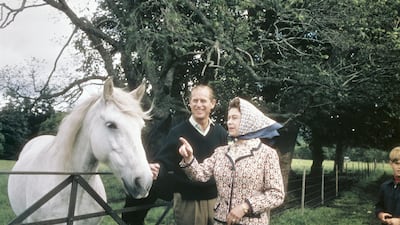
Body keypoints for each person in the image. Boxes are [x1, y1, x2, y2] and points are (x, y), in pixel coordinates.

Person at [178, 97, 285, 225]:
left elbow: (276, 194)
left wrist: (245, 207)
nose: (229, 122)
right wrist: (189, 157)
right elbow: (199, 175)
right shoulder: (221, 152)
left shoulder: (267, 154)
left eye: (234, 118)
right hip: (220, 221)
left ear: (248, 121)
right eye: (228, 118)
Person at [149, 84, 228, 225]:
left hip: (216, 200)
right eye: (195, 100)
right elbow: (164, 162)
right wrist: (157, 168)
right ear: (189, 103)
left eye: (203, 101)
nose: (199, 105)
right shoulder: (177, 132)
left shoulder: (220, 133)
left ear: (213, 104)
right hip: (188, 201)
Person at [375, 146, 400, 225]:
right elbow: (379, 206)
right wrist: (380, 214)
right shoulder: (385, 186)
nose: (399, 167)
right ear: (391, 164)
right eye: (397, 163)